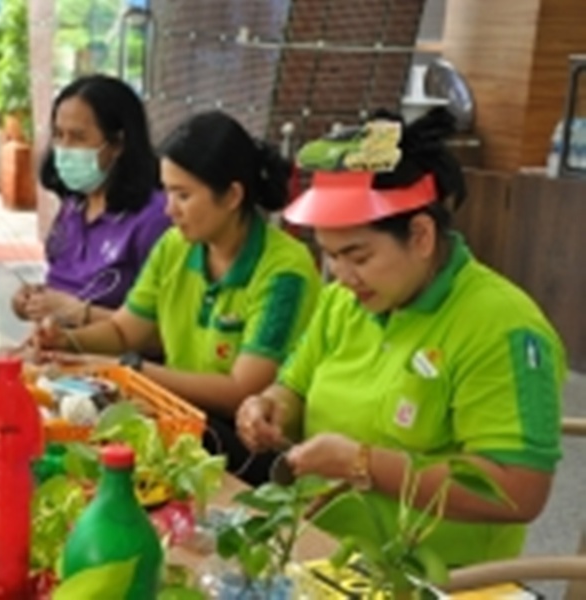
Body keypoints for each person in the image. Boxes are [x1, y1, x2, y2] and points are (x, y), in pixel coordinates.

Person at [236, 108, 565, 567]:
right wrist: (271, 407)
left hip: (434, 577)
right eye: (330, 256)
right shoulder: (343, 302)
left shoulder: (502, 327)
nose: (342, 276)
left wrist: (362, 463)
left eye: (358, 257)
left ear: (421, 235)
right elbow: (294, 385)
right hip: (322, 551)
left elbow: (519, 489)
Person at [36, 110, 321, 483]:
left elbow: (242, 391)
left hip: (249, 451)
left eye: (183, 195)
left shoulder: (285, 271)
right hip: (184, 426)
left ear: (232, 196)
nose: (169, 210)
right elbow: (124, 330)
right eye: (167, 191)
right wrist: (67, 341)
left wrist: (132, 370)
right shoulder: (175, 246)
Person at [12, 74, 170, 327]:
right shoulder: (74, 205)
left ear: (117, 143)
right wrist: (36, 299)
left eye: (78, 137)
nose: (64, 148)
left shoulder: (155, 217)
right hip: (56, 345)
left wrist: (78, 312)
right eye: (58, 135)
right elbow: (70, 285)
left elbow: (164, 326)